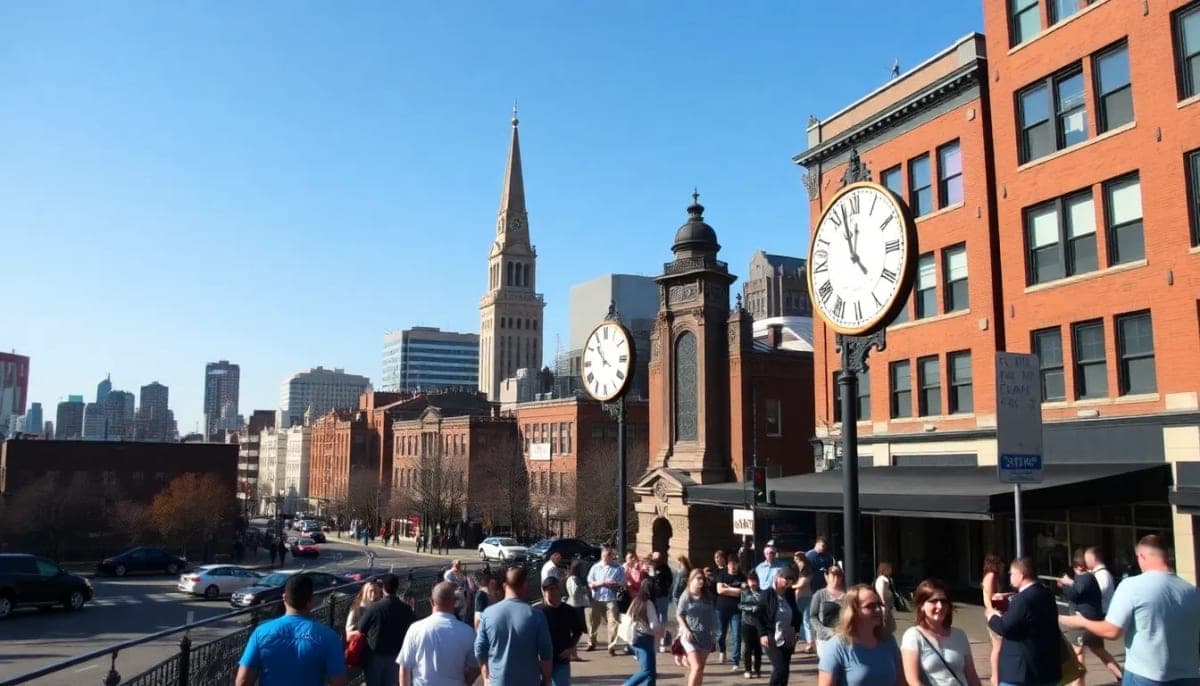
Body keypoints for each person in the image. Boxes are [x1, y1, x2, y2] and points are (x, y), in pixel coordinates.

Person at [1061, 534, 1200, 686]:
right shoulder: (1192, 591)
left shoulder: (1132, 586)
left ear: (1142, 556)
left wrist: (1082, 622)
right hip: (1189, 676)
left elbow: (1111, 631)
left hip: (1145, 676)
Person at [236, 575, 347, 686]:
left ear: (284, 597)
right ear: (310, 601)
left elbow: (243, 681)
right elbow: (338, 682)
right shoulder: (329, 637)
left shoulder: (260, 633)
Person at [985, 556, 1061, 686]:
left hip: (1021, 671)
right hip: (1046, 668)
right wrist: (1008, 602)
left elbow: (1005, 627)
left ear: (1021, 576)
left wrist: (991, 616)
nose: (1010, 577)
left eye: (1012, 574)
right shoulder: (1046, 593)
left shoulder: (1022, 599)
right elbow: (1029, 617)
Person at [474, 565, 554, 686]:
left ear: (504, 585)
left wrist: (486, 675)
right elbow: (546, 652)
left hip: (498, 681)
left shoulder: (488, 614)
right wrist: (546, 679)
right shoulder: (536, 616)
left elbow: (479, 649)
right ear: (525, 586)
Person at [397, 581, 480, 686]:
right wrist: (464, 681)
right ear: (454, 602)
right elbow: (475, 667)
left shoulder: (415, 629)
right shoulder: (467, 632)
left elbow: (404, 667)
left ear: (431, 601)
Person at [1058, 550, 1122, 685]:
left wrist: (1064, 586)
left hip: (1082, 620)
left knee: (1077, 653)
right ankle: (1121, 675)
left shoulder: (1084, 578)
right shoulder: (1089, 578)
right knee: (1098, 650)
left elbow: (1076, 593)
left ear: (1079, 566)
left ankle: (1078, 683)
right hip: (1093, 619)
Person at [901, 578, 982, 686]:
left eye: (944, 601)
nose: (940, 606)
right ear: (922, 606)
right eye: (933, 601)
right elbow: (912, 680)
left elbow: (971, 675)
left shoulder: (959, 635)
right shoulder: (913, 636)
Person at [818, 584, 902, 686]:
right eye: (870, 606)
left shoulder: (888, 641)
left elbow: (900, 681)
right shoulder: (836, 646)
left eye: (879, 604)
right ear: (853, 612)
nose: (878, 610)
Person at [354, 573, 416, 686]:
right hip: (396, 655)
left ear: (383, 588)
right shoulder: (406, 609)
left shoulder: (374, 608)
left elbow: (361, 629)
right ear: (397, 588)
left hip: (375, 655)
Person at [751, 566, 802, 686]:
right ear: (777, 578)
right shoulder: (768, 594)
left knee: (785, 671)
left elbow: (796, 613)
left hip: (787, 636)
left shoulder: (790, 594)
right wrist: (762, 634)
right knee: (780, 668)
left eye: (791, 579)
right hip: (771, 637)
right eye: (786, 578)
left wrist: (796, 631)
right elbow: (757, 616)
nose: (788, 581)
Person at [540, 576, 584, 686]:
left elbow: (577, 631)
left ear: (559, 590)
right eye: (547, 590)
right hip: (542, 660)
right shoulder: (538, 612)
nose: (550, 592)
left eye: (552, 589)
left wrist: (570, 648)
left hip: (561, 658)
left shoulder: (568, 610)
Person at [677, 568, 717, 686]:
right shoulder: (686, 595)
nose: (701, 581)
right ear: (691, 579)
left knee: (700, 669)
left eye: (702, 579)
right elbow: (679, 615)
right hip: (690, 636)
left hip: (705, 636)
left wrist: (713, 632)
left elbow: (712, 615)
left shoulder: (707, 596)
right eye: (698, 578)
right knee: (697, 666)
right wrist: (685, 630)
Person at [586, 546, 628, 655]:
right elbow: (590, 581)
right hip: (597, 598)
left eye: (608, 556)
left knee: (613, 622)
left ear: (612, 557)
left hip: (611, 598)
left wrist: (615, 583)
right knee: (593, 621)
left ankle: (611, 645)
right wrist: (600, 583)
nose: (606, 558)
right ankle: (591, 642)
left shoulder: (618, 568)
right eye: (604, 556)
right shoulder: (596, 567)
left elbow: (623, 582)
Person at [624, 582, 665, 686]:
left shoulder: (636, 601)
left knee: (650, 672)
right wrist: (661, 631)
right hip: (645, 639)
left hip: (635, 637)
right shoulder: (648, 603)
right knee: (647, 670)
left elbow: (628, 617)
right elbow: (654, 625)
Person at [980, 553, 1007, 686]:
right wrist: (1005, 595)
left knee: (998, 646)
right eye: (1001, 563)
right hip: (994, 613)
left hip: (995, 612)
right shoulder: (991, 576)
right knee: (997, 647)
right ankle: (995, 677)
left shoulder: (993, 576)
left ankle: (997, 675)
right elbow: (991, 598)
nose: (1003, 566)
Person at [715, 556, 747, 669]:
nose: (733, 567)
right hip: (721, 609)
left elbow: (743, 592)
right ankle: (722, 651)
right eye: (731, 564)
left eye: (735, 564)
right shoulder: (722, 574)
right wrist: (735, 590)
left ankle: (735, 661)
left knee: (736, 635)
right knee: (720, 634)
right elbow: (719, 590)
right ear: (727, 565)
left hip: (736, 610)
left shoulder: (742, 576)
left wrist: (728, 588)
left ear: (738, 565)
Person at [809, 565, 847, 658]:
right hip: (825, 639)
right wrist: (825, 631)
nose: (836, 578)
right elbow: (813, 617)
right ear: (827, 577)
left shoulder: (848, 594)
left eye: (838, 575)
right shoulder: (819, 594)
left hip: (844, 637)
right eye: (833, 575)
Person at [739, 570, 765, 679]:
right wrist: (751, 608)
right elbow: (741, 606)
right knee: (747, 647)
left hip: (759, 624)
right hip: (747, 622)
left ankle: (757, 669)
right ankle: (748, 670)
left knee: (758, 648)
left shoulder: (762, 593)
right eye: (750, 581)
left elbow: (765, 606)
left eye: (754, 580)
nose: (753, 583)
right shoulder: (744, 593)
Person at [649, 551, 674, 652]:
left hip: (662, 595)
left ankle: (662, 639)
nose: (656, 561)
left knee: (662, 617)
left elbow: (669, 580)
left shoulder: (665, 568)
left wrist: (664, 588)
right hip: (652, 596)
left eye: (658, 559)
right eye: (655, 559)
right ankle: (654, 639)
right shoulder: (650, 567)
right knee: (652, 617)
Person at [793, 553, 815, 655]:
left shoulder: (807, 571)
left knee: (807, 620)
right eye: (795, 560)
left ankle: (810, 643)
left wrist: (790, 586)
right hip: (799, 598)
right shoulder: (798, 570)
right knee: (802, 621)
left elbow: (801, 584)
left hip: (806, 597)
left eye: (798, 560)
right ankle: (806, 641)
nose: (797, 562)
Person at [565, 560, 591, 643]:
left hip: (576, 604)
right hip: (576, 605)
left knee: (578, 628)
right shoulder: (574, 578)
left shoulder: (572, 578)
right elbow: (575, 591)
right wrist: (585, 589)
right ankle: (572, 645)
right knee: (579, 627)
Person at [1082, 546, 1114, 614]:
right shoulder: (1097, 573)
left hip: (1102, 613)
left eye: (1086, 559)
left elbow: (1097, 593)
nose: (1085, 561)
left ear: (1093, 559)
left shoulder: (1102, 575)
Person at [874, 563, 897, 633]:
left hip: (887, 603)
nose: (891, 571)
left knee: (887, 619)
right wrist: (883, 601)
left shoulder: (884, 578)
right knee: (885, 619)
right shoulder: (882, 579)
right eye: (889, 569)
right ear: (884, 570)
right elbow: (881, 590)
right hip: (885, 602)